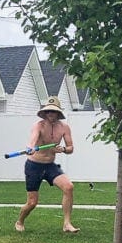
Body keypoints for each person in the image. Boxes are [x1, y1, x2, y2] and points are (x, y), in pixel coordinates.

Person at [15, 96, 79, 234]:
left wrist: (62, 149)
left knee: (69, 187)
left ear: (58, 113)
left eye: (54, 111)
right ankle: (20, 221)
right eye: (49, 111)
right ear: (45, 113)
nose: (51, 114)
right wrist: (30, 148)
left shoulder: (64, 128)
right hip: (34, 166)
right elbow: (32, 140)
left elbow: (71, 148)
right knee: (32, 203)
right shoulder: (38, 126)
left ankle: (67, 224)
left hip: (50, 166)